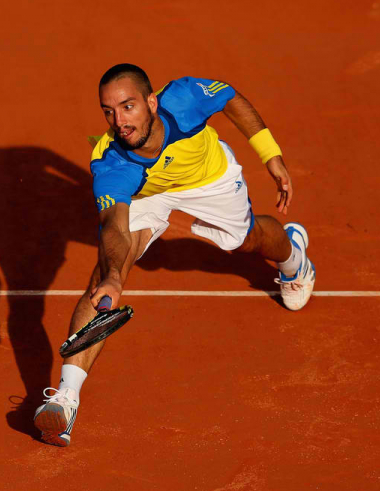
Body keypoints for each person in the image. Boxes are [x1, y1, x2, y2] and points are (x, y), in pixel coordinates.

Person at [33, 63, 315, 447]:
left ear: (151, 102)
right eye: (109, 112)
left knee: (246, 240)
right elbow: (114, 226)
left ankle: (294, 259)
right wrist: (113, 275)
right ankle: (66, 399)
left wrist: (271, 155)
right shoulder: (112, 161)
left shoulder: (184, 98)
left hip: (208, 178)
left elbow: (229, 97)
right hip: (147, 192)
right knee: (103, 278)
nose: (120, 122)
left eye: (128, 107)